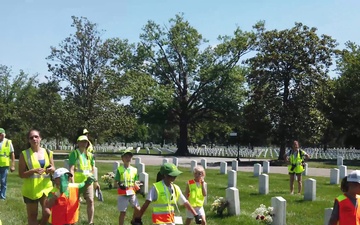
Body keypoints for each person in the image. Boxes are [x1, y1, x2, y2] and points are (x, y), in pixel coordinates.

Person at [136, 163, 202, 225]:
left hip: (170, 220)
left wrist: (196, 215)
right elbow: (146, 203)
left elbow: (185, 202)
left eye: (175, 175)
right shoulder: (156, 187)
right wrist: (138, 218)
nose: (175, 177)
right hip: (159, 220)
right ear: (165, 175)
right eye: (172, 175)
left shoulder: (176, 188)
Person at [18, 129, 55, 225]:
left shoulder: (48, 152)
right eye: (31, 137)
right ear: (28, 140)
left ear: (40, 138)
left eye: (36, 137)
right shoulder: (24, 154)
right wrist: (33, 171)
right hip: (31, 189)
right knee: (32, 215)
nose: (34, 139)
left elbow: (53, 167)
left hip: (46, 188)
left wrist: (51, 169)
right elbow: (21, 174)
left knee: (47, 213)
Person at [69, 135, 99, 225]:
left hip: (88, 181)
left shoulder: (90, 155)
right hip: (78, 182)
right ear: (78, 143)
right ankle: (73, 220)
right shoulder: (74, 153)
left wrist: (96, 181)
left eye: (85, 142)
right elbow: (71, 168)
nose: (83, 143)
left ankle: (90, 222)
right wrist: (73, 183)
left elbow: (92, 169)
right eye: (81, 141)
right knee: (75, 202)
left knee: (90, 200)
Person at [115, 150, 141, 225]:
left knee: (138, 208)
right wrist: (119, 184)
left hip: (131, 192)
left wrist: (137, 185)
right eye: (126, 157)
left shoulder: (134, 170)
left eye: (129, 157)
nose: (128, 158)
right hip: (122, 193)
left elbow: (135, 181)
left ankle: (133, 220)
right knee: (123, 212)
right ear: (122, 159)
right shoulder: (120, 169)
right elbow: (116, 181)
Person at [0, 128, 15, 200]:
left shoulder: (8, 142)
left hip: (4, 165)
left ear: (4, 134)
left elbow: (12, 154)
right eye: (0, 134)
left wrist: (13, 165)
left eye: (2, 134)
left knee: (3, 181)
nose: (1, 136)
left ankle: (2, 196)